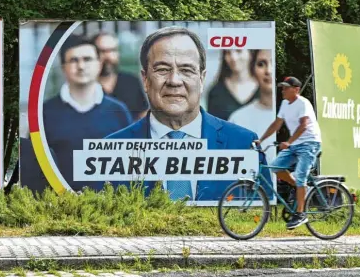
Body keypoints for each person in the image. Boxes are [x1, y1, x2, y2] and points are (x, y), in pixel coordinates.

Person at [105, 26, 270, 201]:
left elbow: (264, 217)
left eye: (186, 70)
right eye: (162, 69)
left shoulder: (244, 145)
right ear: (145, 79)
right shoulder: (111, 150)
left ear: (202, 79)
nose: (174, 81)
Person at [42, 34, 132, 191]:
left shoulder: (118, 110)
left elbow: (132, 163)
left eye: (87, 59)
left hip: (112, 206)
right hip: (59, 207)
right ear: (63, 67)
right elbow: (37, 164)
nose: (81, 66)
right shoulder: (45, 112)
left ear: (99, 64)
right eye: (74, 60)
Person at [254, 76, 322, 229]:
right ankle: (300, 188)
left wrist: (289, 142)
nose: (283, 90)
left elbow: (304, 125)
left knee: (300, 176)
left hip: (310, 143)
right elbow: (277, 124)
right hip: (295, 144)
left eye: (286, 87)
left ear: (296, 89)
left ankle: (300, 213)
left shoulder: (303, 103)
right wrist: (261, 139)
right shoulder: (285, 104)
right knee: (276, 167)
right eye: (282, 87)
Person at [229, 49, 277, 165]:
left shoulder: (291, 112)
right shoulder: (238, 118)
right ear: (253, 70)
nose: (268, 71)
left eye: (273, 63)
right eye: (261, 64)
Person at [92, 32, 150, 121]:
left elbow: (143, 114)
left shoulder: (131, 81)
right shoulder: (85, 85)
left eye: (112, 50)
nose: (108, 56)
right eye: (102, 51)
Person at [207, 49, 259, 120]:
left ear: (251, 54)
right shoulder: (216, 92)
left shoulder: (265, 88)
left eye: (239, 51)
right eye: (228, 52)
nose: (233, 58)